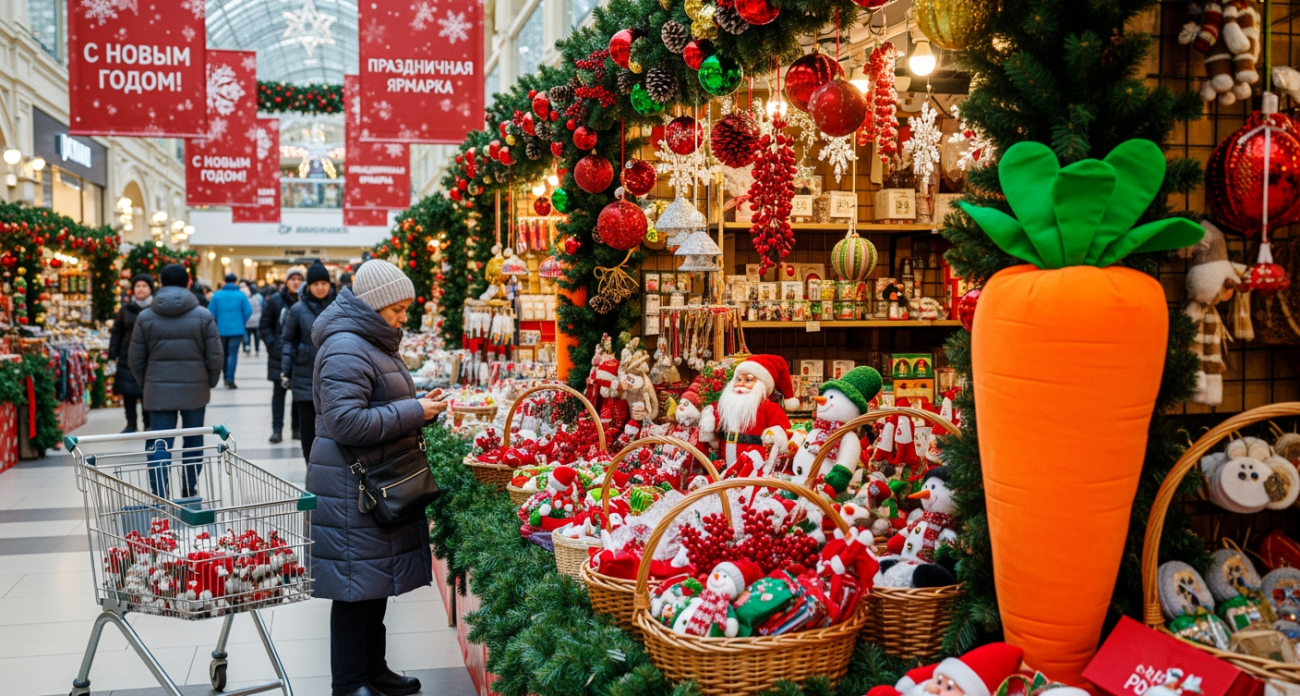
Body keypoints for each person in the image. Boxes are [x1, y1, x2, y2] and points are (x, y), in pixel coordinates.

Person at [308, 259, 446, 696]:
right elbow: (346, 422)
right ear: (373, 305)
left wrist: (419, 403)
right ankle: (349, 683)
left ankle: (374, 670)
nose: (404, 317)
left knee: (372, 584)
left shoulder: (371, 340)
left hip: (371, 479)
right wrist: (415, 411)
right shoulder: (347, 345)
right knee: (354, 589)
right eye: (397, 309)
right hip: (353, 486)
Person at [128, 264, 223, 498]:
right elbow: (215, 355)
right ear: (188, 283)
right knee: (193, 440)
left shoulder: (145, 316)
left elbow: (135, 359)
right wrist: (209, 381)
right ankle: (189, 487)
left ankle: (160, 491)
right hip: (195, 388)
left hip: (157, 389)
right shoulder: (203, 315)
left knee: (158, 441)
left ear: (159, 283)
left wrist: (146, 383)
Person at [281, 261, 335, 463]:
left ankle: (329, 468)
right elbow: (287, 340)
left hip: (334, 374)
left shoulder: (338, 306)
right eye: (315, 284)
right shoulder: (297, 309)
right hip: (305, 375)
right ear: (309, 286)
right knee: (308, 428)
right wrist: (285, 370)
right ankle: (310, 466)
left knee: (332, 426)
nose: (320, 287)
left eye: (324, 283)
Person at [261, 266, 305, 443]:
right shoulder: (275, 301)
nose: (296, 282)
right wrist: (274, 345)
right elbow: (265, 325)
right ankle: (277, 429)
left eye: (299, 279)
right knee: (278, 394)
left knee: (297, 395)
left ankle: (296, 429)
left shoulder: (305, 301)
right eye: (292, 279)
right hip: (278, 356)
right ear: (286, 281)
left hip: (299, 356)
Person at [107, 274, 154, 433]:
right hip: (127, 355)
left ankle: (148, 423)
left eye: (144, 286)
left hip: (149, 356)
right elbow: (117, 331)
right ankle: (131, 424)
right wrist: (113, 353)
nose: (140, 289)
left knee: (147, 392)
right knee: (128, 392)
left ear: (150, 289)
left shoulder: (155, 308)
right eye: (137, 286)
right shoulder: (126, 309)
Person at [209, 273, 253, 389]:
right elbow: (248, 311)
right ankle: (230, 378)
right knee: (233, 354)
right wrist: (241, 321)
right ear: (235, 281)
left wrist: (218, 322)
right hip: (236, 330)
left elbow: (211, 313)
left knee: (223, 354)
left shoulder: (217, 295)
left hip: (221, 330)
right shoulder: (241, 295)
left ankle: (224, 377)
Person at [242, 280, 263, 354]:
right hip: (257, 320)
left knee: (248, 335)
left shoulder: (246, 298)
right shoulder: (259, 297)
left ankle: (248, 346)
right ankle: (257, 348)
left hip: (248, 320)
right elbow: (263, 306)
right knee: (256, 336)